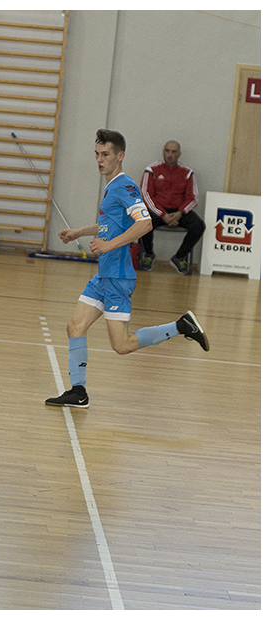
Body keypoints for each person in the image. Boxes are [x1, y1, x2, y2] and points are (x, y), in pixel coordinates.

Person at [45, 129, 209, 409]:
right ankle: (78, 391)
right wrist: (78, 232)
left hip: (118, 277)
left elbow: (144, 224)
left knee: (122, 345)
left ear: (120, 156)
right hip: (104, 275)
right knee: (75, 327)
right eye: (97, 154)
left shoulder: (124, 186)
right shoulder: (112, 186)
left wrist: (108, 246)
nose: (100, 159)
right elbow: (111, 225)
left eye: (105, 154)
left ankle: (181, 326)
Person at [138, 140, 205, 274]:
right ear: (163, 152)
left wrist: (181, 213)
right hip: (158, 210)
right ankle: (148, 254)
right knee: (143, 221)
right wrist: (163, 214)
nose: (170, 155)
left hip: (179, 211)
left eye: (174, 152)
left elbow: (193, 197)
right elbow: (146, 195)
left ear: (179, 154)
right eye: (167, 151)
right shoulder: (151, 169)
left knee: (199, 226)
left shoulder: (187, 172)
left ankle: (179, 257)